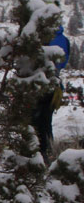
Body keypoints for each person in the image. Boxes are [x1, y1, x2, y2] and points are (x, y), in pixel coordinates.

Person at [32, 24, 71, 164]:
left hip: (38, 83)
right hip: (54, 84)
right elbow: (64, 61)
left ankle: (37, 154)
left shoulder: (39, 35)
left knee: (34, 120)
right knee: (46, 121)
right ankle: (47, 152)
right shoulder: (64, 39)